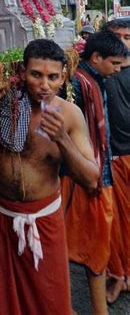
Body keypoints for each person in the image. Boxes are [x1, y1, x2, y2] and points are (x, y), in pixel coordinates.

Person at [0, 39, 99, 315]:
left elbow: (92, 179)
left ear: (63, 77)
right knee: (2, 302)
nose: (44, 84)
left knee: (51, 300)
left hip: (43, 220)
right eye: (36, 74)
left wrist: (62, 139)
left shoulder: (69, 115)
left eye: (52, 77)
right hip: (1, 217)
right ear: (23, 72)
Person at [61, 30, 127, 315]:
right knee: (89, 243)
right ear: (96, 57)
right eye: (114, 63)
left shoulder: (96, 79)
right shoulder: (77, 83)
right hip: (85, 176)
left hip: (101, 170)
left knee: (97, 242)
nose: (118, 70)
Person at [100, 19, 130, 304]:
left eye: (127, 36)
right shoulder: (100, 74)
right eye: (117, 37)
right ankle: (117, 275)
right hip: (113, 156)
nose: (123, 42)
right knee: (115, 222)